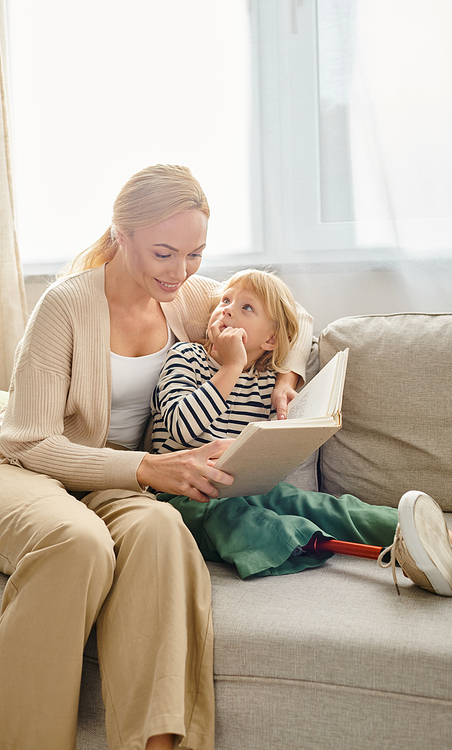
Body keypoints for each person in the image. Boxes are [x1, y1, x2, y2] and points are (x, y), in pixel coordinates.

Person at [0, 165, 314, 750]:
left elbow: (293, 314)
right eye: (165, 253)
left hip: (116, 479)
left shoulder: (189, 297)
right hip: (26, 467)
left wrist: (286, 376)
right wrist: (145, 468)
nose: (181, 272)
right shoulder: (63, 308)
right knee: (80, 543)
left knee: (164, 530)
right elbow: (29, 441)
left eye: (195, 253)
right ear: (122, 235)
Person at [151, 268, 452, 605]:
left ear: (270, 340)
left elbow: (265, 452)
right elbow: (183, 426)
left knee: (332, 507)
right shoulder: (187, 357)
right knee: (240, 520)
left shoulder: (266, 383)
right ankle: (409, 558)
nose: (226, 309)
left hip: (245, 489)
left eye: (246, 307)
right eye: (224, 300)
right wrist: (230, 367)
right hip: (180, 496)